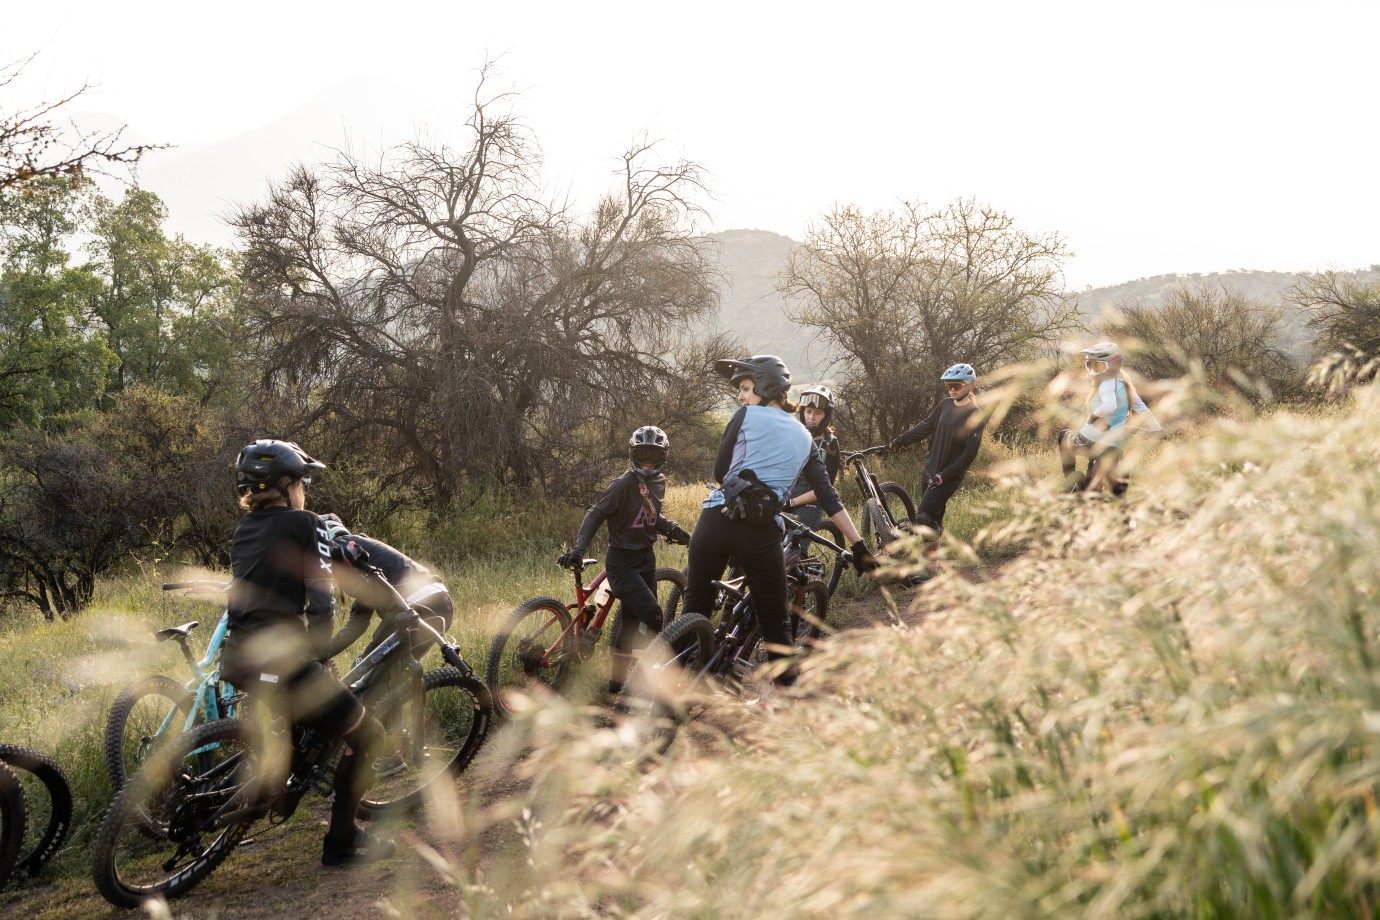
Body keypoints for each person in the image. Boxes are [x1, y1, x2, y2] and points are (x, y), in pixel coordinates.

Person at [223, 439, 394, 868]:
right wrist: (320, 655)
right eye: (302, 480)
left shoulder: (245, 528)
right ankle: (341, 843)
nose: (306, 488)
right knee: (366, 736)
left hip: (239, 658)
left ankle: (275, 786)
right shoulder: (308, 523)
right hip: (286, 663)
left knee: (305, 722)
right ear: (286, 486)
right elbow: (320, 601)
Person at [679, 355, 878, 686]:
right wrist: (858, 546)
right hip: (759, 534)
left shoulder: (743, 416)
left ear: (766, 386)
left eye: (745, 388)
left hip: (715, 521)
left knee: (695, 607)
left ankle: (672, 687)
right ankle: (788, 712)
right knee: (776, 626)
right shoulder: (805, 438)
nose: (741, 396)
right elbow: (828, 497)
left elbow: (719, 472)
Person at [555, 426, 693, 699]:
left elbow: (648, 516)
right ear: (632, 454)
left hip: (646, 558)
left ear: (663, 457)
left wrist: (674, 530)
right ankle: (643, 679)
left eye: (653, 455)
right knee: (653, 615)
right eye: (642, 455)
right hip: (622, 561)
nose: (647, 462)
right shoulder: (622, 485)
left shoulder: (658, 482)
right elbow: (595, 514)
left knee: (631, 622)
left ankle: (617, 684)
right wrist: (579, 549)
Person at [883, 363, 987, 582]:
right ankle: (934, 564)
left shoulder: (975, 415)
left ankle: (929, 568)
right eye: (948, 385)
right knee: (934, 519)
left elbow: (969, 454)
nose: (951, 389)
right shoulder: (945, 405)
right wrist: (900, 441)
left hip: (947, 477)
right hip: (929, 470)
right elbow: (925, 426)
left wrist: (945, 475)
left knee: (923, 517)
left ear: (969, 385)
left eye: (956, 385)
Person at [317, 515, 452, 662]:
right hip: (441, 601)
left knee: (362, 668)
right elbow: (358, 623)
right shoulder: (362, 552)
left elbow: (356, 625)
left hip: (415, 602)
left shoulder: (340, 547)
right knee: (397, 674)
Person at [1057, 341, 1157, 494]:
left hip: (1094, 440)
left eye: (1097, 366)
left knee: (1064, 436)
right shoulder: (1125, 384)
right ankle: (1084, 488)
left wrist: (1094, 415)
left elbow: (1110, 406)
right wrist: (1156, 428)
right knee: (1100, 489)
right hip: (1113, 444)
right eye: (1089, 364)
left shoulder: (1106, 384)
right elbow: (1141, 407)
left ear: (1114, 365)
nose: (1092, 370)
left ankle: (1072, 481)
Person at [783, 384, 842, 529]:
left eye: (817, 413)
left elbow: (824, 489)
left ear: (826, 416)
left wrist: (792, 502)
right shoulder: (794, 437)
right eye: (808, 411)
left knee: (795, 546)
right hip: (784, 500)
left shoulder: (830, 444)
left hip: (810, 505)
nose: (811, 417)